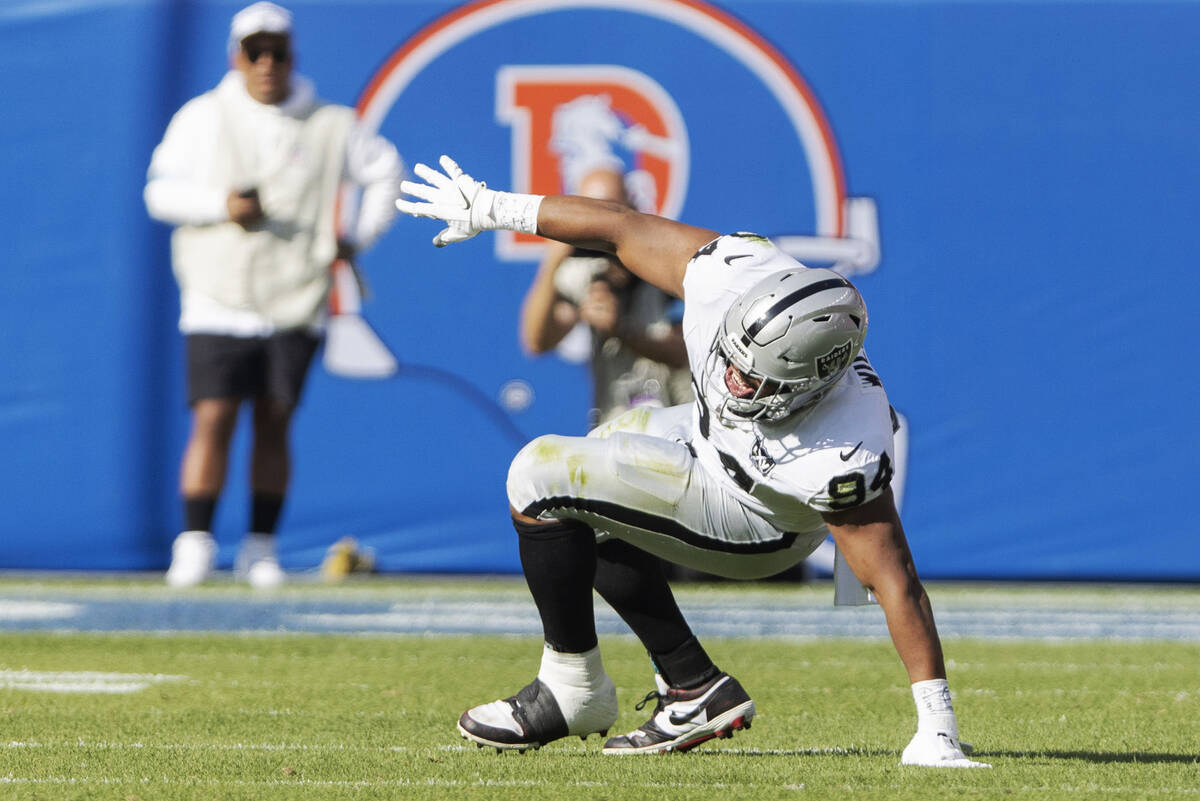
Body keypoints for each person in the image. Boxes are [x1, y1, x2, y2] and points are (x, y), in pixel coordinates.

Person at [396, 156, 988, 768]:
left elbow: (891, 578)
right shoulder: (735, 272)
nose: (731, 378)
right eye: (732, 357)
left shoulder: (840, 444)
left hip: (761, 517)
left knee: (538, 472)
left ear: (810, 386)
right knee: (598, 457)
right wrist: (495, 208)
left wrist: (936, 727)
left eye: (753, 377)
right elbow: (619, 226)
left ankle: (573, 689)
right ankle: (692, 684)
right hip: (706, 439)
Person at [144, 2, 404, 589]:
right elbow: (159, 193)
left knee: (275, 418)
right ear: (235, 57)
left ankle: (260, 545)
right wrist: (221, 207)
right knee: (213, 414)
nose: (266, 64)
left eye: (277, 52)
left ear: (292, 56)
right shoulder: (203, 116)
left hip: (296, 292)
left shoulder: (330, 122)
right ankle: (196, 542)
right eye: (254, 51)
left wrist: (356, 237)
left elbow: (386, 169)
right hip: (218, 290)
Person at [519, 96, 691, 429]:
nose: (599, 224)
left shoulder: (665, 260)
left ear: (631, 205)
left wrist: (623, 331)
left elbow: (688, 348)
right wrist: (554, 258)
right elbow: (537, 339)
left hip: (681, 426)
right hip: (616, 428)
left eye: (609, 209)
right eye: (589, 211)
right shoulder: (581, 272)